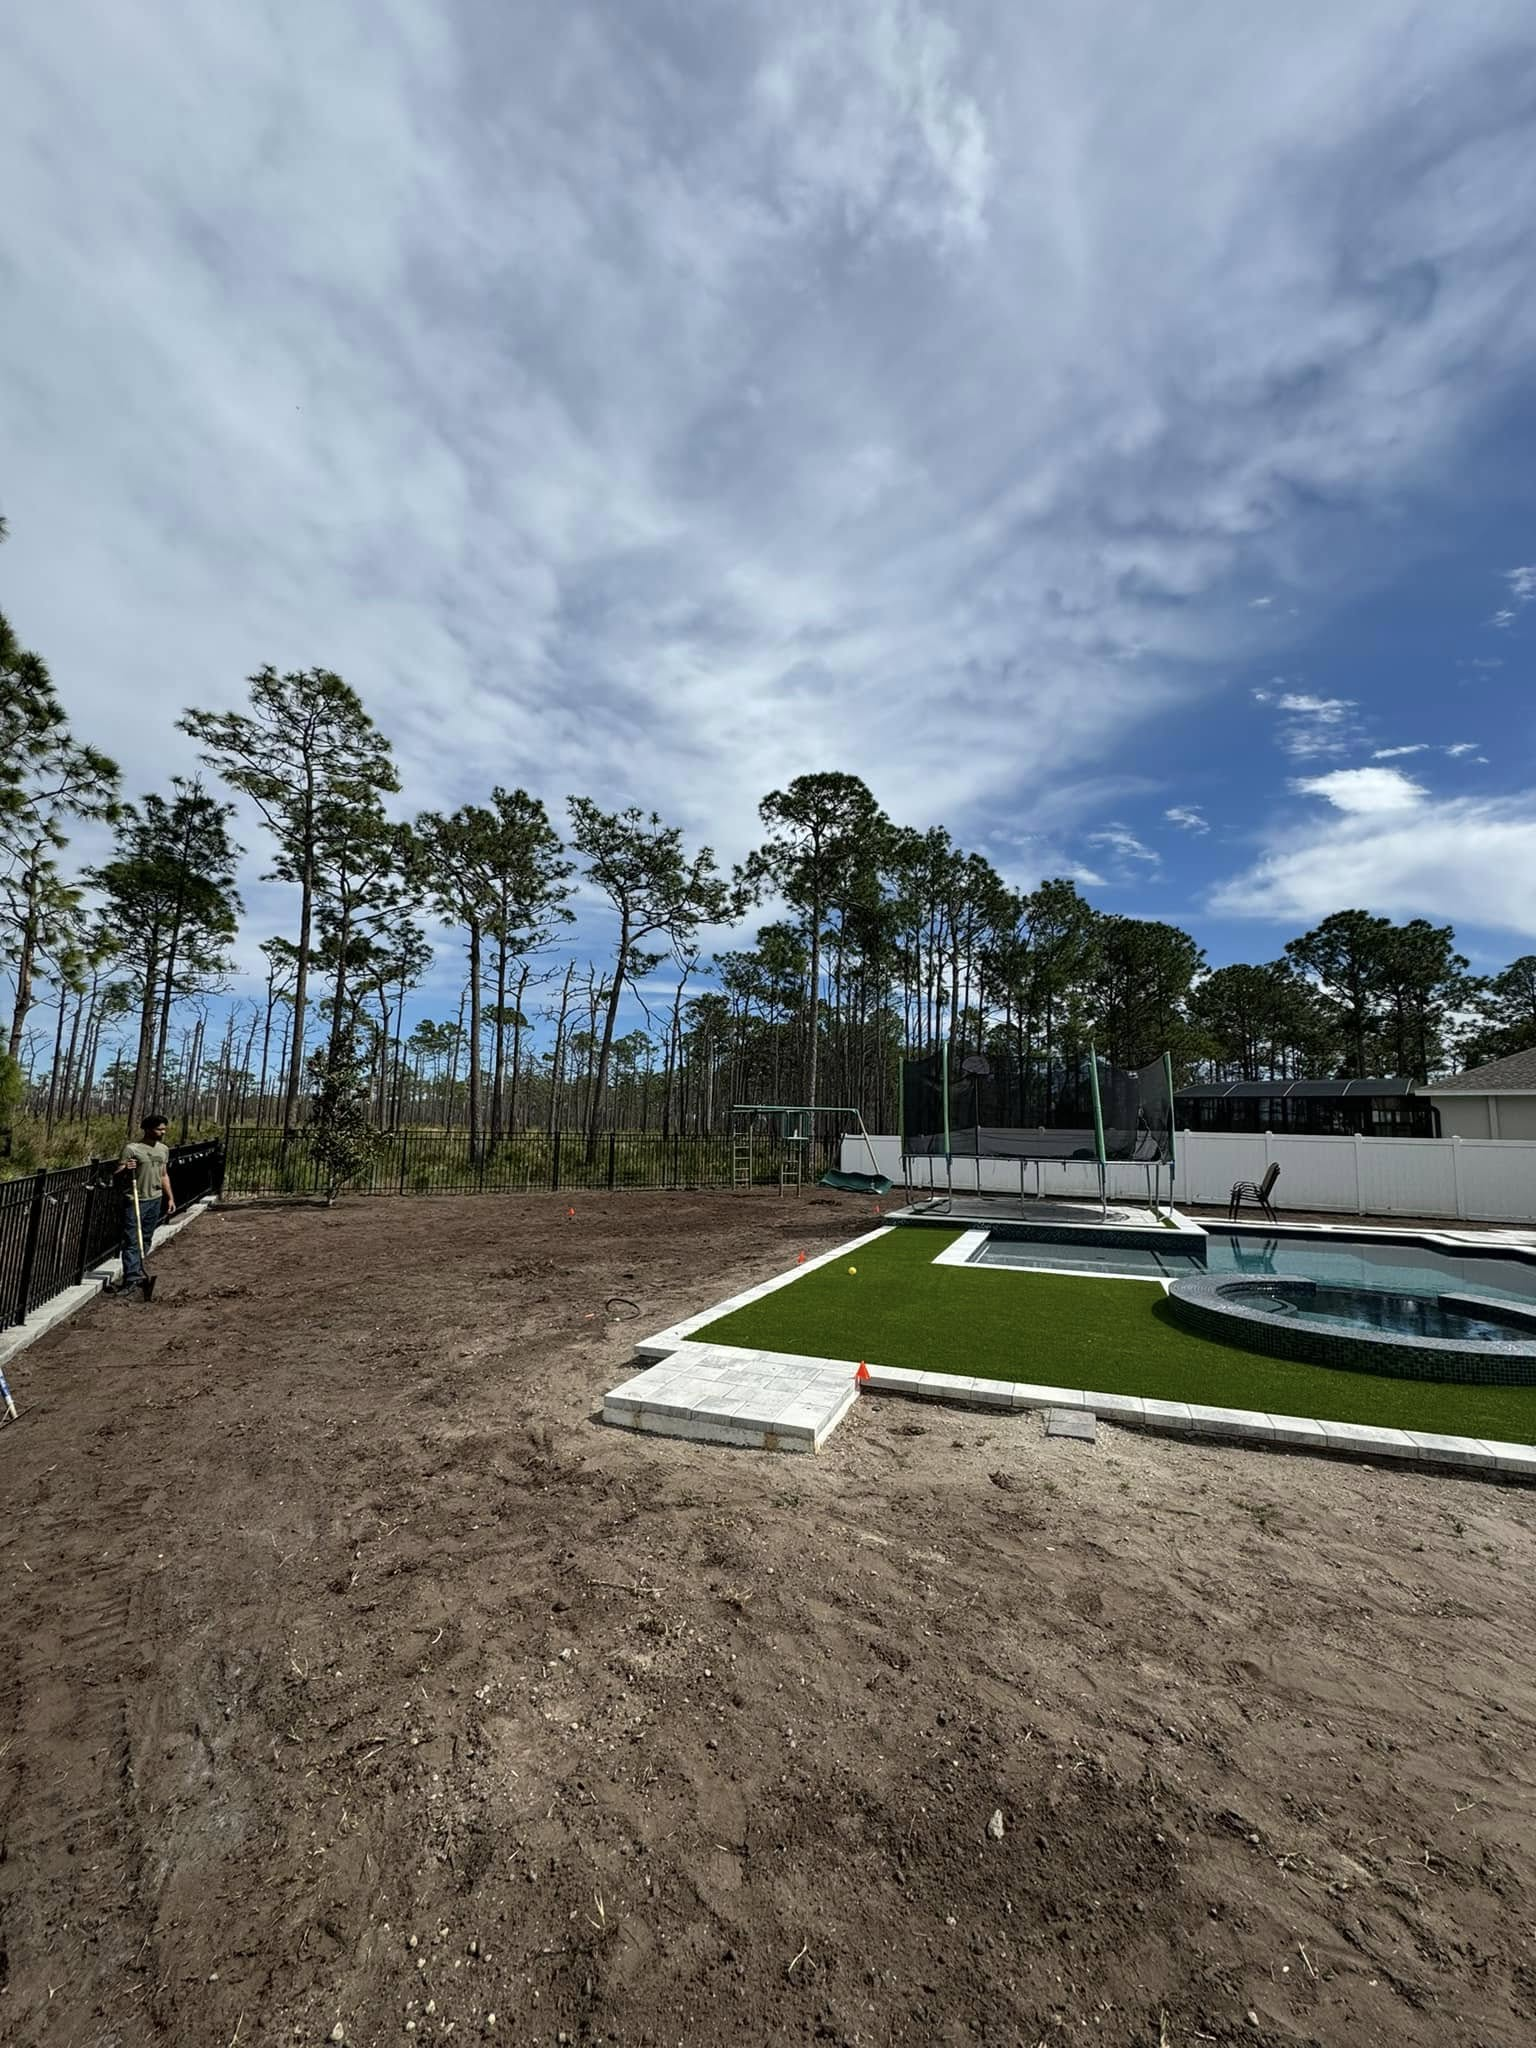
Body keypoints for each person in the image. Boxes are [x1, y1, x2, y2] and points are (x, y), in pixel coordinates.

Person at [112, 1114, 176, 1298]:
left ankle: (138, 1270)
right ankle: (131, 1279)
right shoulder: (132, 1149)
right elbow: (116, 1176)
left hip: (155, 1199)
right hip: (135, 1200)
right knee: (132, 1240)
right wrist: (126, 1169)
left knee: (145, 1238)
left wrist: (170, 1197)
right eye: (159, 1129)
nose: (163, 1132)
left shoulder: (163, 1149)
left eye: (164, 1129)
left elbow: (164, 1175)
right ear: (148, 1129)